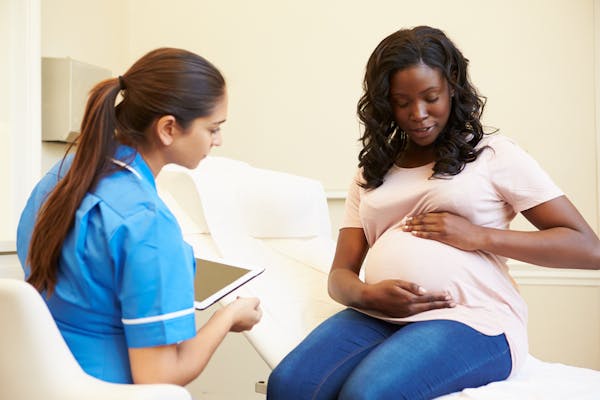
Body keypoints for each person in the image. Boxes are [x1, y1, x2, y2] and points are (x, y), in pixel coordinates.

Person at [267, 26, 600, 400]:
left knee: (367, 394)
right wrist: (367, 295)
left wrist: (481, 236)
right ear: (384, 103)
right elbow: (339, 277)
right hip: (378, 315)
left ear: (453, 86)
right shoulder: (372, 171)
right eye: (402, 101)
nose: (418, 114)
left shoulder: (493, 155)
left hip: (472, 320)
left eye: (431, 97)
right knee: (289, 385)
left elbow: (589, 249)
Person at [16, 48, 262, 385]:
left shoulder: (64, 176)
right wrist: (228, 316)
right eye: (213, 128)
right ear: (168, 129)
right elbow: (160, 377)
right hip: (101, 388)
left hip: (41, 380)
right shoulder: (148, 223)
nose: (218, 141)